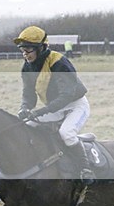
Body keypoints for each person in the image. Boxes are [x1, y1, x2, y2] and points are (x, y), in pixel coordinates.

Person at [14, 25, 96, 184]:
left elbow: (66, 96)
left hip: (75, 105)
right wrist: (24, 108)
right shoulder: (27, 67)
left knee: (67, 133)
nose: (25, 54)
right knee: (28, 126)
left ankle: (86, 168)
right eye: (22, 50)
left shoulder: (59, 61)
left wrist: (40, 112)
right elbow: (28, 94)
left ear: (41, 48)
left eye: (28, 49)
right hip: (54, 107)